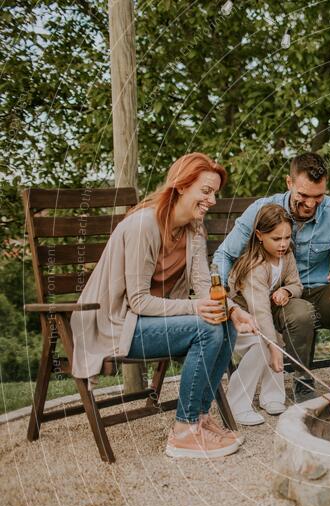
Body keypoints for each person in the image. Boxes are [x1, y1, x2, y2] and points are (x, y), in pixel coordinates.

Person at [71, 153, 259, 459]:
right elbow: (138, 301)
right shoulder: (144, 225)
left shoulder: (194, 229)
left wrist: (236, 311)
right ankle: (183, 432)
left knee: (224, 322)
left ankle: (198, 418)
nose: (212, 200)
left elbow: (203, 287)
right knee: (205, 327)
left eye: (215, 193)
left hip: (151, 321)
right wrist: (196, 308)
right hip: (116, 323)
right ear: (182, 186)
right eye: (206, 191)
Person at [213, 153, 330, 401]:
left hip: (320, 293)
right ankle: (303, 380)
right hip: (279, 299)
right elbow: (225, 254)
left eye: (318, 196)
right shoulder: (262, 210)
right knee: (300, 311)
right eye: (303, 195)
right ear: (289, 183)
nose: (311, 204)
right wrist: (220, 293)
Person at [225, 204, 302, 424]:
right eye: (276, 239)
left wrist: (286, 290)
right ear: (259, 235)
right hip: (233, 320)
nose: (283, 244)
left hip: (254, 319)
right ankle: (236, 404)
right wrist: (273, 349)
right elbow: (260, 311)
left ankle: (272, 396)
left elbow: (297, 284)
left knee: (273, 339)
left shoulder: (286, 256)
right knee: (263, 343)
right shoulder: (254, 267)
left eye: (287, 237)